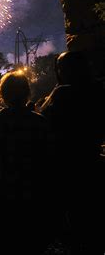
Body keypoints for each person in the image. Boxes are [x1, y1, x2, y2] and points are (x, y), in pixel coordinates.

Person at [0, 71, 53, 255]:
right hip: (33, 191)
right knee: (33, 241)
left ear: (2, 94)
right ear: (27, 93)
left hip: (2, 192)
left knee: (6, 241)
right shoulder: (40, 122)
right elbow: (49, 156)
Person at [40, 51, 104, 253]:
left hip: (66, 165)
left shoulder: (61, 94)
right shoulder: (97, 90)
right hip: (91, 160)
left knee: (73, 221)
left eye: (61, 68)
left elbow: (44, 119)